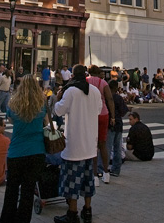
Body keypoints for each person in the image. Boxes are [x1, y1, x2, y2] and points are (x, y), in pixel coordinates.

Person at [52, 64, 102, 223]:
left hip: (74, 144)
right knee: (88, 180)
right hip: (90, 143)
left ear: (73, 75)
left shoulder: (71, 91)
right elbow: (99, 110)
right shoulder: (94, 91)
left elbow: (58, 111)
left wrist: (58, 98)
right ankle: (87, 211)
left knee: (71, 181)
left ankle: (72, 213)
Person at [1, 74, 46, 223]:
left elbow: (11, 121)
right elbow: (45, 122)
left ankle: (7, 219)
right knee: (28, 191)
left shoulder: (13, 104)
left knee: (11, 190)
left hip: (16, 151)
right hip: (36, 150)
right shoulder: (41, 103)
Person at [87, 65, 116, 184]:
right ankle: (106, 173)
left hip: (90, 114)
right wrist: (113, 116)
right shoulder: (103, 83)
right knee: (103, 144)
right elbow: (110, 99)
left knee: (93, 146)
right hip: (103, 113)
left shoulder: (86, 81)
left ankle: (94, 175)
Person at [107, 78, 129, 176]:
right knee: (117, 148)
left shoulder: (106, 97)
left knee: (107, 147)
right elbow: (123, 111)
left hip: (109, 123)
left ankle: (104, 168)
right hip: (118, 123)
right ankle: (116, 169)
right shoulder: (118, 98)